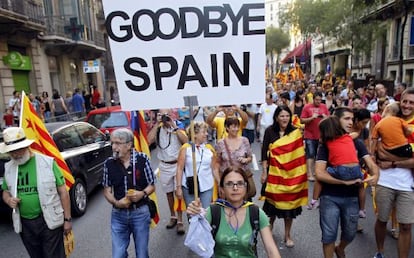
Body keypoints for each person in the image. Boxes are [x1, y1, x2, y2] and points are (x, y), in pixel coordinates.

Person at [315, 107, 379, 258]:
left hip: (352, 198)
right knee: (329, 235)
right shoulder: (326, 144)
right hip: (329, 196)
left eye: (352, 119)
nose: (351, 122)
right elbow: (319, 173)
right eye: (346, 119)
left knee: (350, 233)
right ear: (336, 120)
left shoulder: (356, 143)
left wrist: (375, 175)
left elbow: (372, 165)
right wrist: (343, 183)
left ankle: (341, 248)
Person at [1, 127, 72, 258]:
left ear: (26, 146)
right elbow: (5, 191)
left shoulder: (47, 162)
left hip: (48, 220)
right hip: (25, 224)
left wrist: (67, 219)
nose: (16, 154)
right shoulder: (9, 167)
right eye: (12, 151)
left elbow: (63, 192)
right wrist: (8, 200)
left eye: (18, 149)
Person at [186, 167, 281, 258]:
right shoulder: (213, 211)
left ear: (246, 187)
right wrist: (195, 214)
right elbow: (197, 240)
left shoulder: (256, 213)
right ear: (222, 189)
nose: (235, 188)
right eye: (229, 184)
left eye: (240, 183)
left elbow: (271, 250)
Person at [373, 88, 414, 258]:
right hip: (385, 181)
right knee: (382, 220)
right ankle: (380, 252)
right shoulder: (388, 119)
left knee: (405, 226)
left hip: (407, 184)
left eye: (411, 102)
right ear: (399, 101)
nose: (407, 105)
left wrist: (392, 162)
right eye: (405, 101)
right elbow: (378, 151)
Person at [102, 128, 155, 258]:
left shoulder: (142, 160)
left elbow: (152, 185)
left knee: (142, 254)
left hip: (140, 213)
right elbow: (107, 190)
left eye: (118, 143)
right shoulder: (108, 164)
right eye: (112, 143)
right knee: (118, 255)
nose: (114, 147)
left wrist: (141, 194)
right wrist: (116, 203)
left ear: (129, 145)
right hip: (118, 215)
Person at [260, 105, 308, 248]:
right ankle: (270, 228)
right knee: (271, 206)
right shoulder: (270, 131)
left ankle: (287, 235)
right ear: (276, 117)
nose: (284, 118)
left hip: (291, 177)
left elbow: (299, 155)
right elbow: (264, 152)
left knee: (289, 209)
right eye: (281, 116)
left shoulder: (295, 132)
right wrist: (264, 171)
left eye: (287, 115)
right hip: (273, 175)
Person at [147, 109, 188, 234]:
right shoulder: (158, 128)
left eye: (167, 115)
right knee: (169, 193)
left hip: (177, 165)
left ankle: (180, 220)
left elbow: (186, 141)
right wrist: (156, 124)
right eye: (162, 115)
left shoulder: (178, 126)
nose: (165, 117)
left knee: (178, 192)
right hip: (164, 165)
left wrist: (174, 126)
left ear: (172, 115)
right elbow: (148, 141)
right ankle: (173, 216)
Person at [175, 122, 218, 208]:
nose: (206, 134)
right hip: (189, 186)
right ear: (195, 134)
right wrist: (178, 187)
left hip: (206, 186)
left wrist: (220, 184)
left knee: (205, 213)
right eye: (203, 132)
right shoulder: (185, 148)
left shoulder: (209, 149)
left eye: (206, 132)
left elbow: (215, 169)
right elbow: (179, 168)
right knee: (192, 213)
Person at [215, 117, 253, 192]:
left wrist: (245, 160)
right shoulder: (221, 143)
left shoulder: (244, 140)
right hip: (227, 179)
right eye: (233, 127)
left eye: (237, 127)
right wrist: (219, 182)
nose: (236, 129)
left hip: (242, 177)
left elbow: (250, 157)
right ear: (227, 127)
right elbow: (217, 163)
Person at [301, 91, 329, 181]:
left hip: (321, 135)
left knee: (319, 154)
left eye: (320, 100)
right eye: (317, 100)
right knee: (310, 153)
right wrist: (311, 118)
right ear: (313, 99)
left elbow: (329, 119)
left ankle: (315, 171)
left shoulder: (324, 107)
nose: (318, 102)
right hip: (309, 134)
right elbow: (302, 120)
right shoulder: (307, 107)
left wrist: (326, 118)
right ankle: (309, 173)